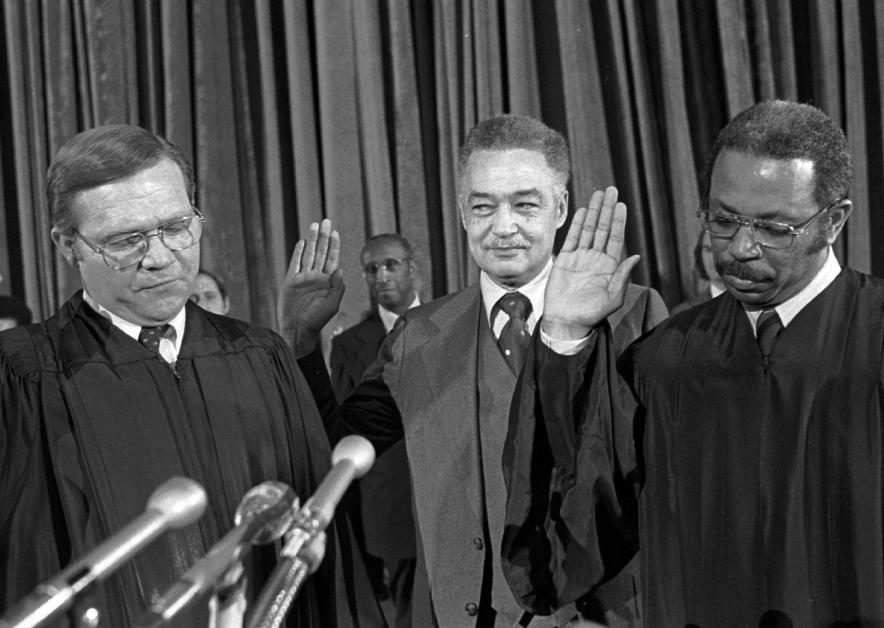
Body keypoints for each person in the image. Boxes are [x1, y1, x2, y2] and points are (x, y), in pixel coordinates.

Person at [503, 100, 884, 627]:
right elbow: (579, 525)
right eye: (723, 220)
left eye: (774, 228)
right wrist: (565, 335)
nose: (741, 247)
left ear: (834, 221)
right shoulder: (665, 360)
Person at [278, 114, 668, 626]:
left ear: (561, 208)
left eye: (525, 204)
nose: (503, 227)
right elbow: (338, 449)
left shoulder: (632, 313)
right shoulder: (418, 335)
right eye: (483, 206)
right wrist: (302, 343)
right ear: (463, 213)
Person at [0, 125, 382, 627]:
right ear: (69, 246)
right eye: (125, 240)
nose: (158, 258)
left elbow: (321, 549)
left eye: (176, 227)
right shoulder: (23, 376)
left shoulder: (259, 355)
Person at [330, 233, 421, 628]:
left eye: (391, 265)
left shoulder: (453, 321)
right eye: (372, 269)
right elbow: (345, 421)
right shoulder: (350, 344)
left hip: (455, 484)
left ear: (412, 268)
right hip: (388, 494)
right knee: (405, 610)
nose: (382, 276)